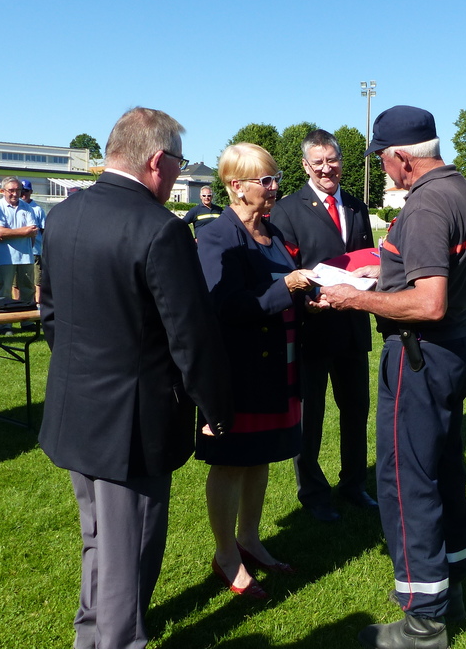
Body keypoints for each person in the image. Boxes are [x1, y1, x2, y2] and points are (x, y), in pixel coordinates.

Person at [37, 107, 233, 649]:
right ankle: (118, 640)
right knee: (131, 546)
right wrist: (216, 408)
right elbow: (190, 335)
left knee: (99, 538)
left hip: (76, 407)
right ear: (157, 160)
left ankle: (91, 634)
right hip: (135, 422)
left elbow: (49, 315)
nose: (178, 174)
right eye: (179, 163)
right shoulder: (160, 228)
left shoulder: (64, 215)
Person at [319, 106, 466, 649]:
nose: (383, 169)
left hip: (420, 354)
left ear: (401, 157)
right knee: (443, 468)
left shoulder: (426, 204)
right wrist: (385, 273)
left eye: (382, 160)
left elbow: (429, 302)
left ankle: (423, 622)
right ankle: (452, 586)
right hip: (453, 349)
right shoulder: (464, 190)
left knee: (405, 481)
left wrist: (352, 298)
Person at [196, 143, 316, 600]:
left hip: (278, 365)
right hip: (239, 371)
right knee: (230, 462)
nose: (274, 188)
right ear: (236, 186)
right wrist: (286, 287)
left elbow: (285, 290)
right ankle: (226, 554)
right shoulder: (217, 236)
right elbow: (224, 306)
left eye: (275, 178)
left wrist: (309, 297)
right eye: (265, 180)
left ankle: (249, 538)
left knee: (260, 457)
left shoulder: (272, 230)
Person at [269, 129, 377, 523]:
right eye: (318, 162)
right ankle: (314, 492)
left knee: (356, 411)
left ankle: (354, 484)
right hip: (311, 329)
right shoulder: (287, 210)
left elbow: (368, 258)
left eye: (333, 160)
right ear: (305, 165)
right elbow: (282, 271)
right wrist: (305, 303)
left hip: (352, 326)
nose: (327, 168)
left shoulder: (357, 206)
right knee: (310, 417)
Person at [0, 176, 38, 333]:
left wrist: (11, 233)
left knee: (28, 290)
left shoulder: (27, 207)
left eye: (18, 190)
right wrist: (24, 232)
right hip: (5, 257)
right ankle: (4, 325)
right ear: (3, 191)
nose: (15, 193)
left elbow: (33, 231)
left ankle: (26, 321)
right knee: (4, 292)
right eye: (11, 190)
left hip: (25, 256)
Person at [18, 180, 47, 306]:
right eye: (21, 191)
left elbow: (44, 230)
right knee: (16, 282)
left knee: (37, 280)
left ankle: (37, 305)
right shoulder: (16, 207)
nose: (23, 194)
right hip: (19, 250)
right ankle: (16, 304)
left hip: (35, 251)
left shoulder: (37, 209)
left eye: (26, 191)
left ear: (31, 192)